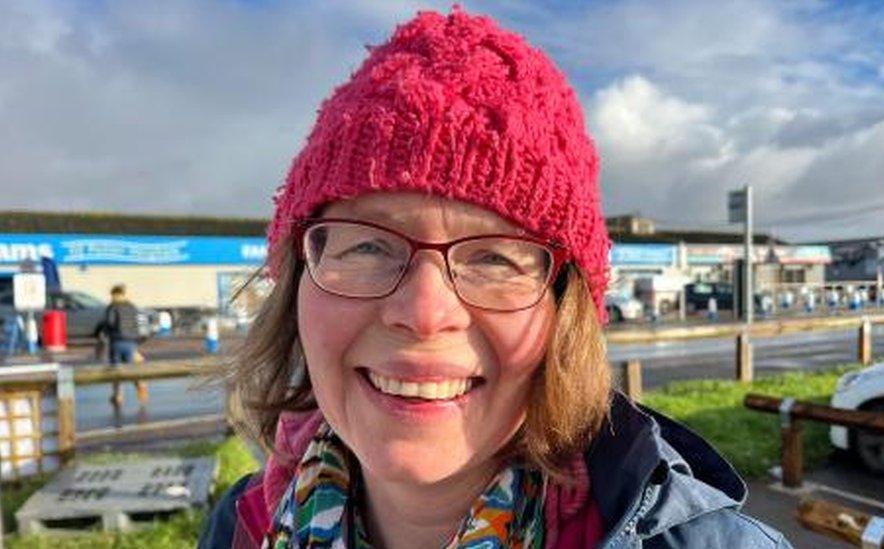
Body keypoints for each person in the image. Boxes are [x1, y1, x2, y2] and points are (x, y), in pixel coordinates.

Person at [200, 7, 791, 548]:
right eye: (368, 246)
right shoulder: (239, 526)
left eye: (495, 259)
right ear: (298, 278)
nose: (425, 312)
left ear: (567, 311)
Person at [103, 284, 148, 406]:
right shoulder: (132, 306)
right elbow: (139, 323)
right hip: (131, 342)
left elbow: (110, 323)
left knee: (116, 370)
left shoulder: (113, 307)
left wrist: (104, 334)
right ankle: (140, 385)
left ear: (113, 294)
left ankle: (118, 396)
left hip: (116, 342)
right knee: (132, 369)